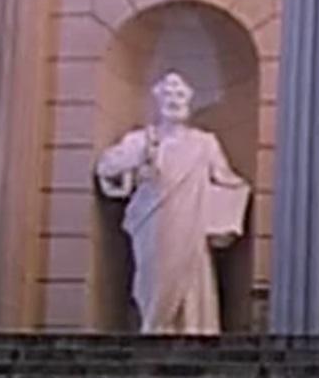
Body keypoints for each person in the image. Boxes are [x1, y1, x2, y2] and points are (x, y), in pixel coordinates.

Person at [94, 71, 250, 334]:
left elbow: (227, 180)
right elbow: (106, 167)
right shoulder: (141, 140)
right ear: (158, 100)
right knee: (153, 277)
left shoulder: (204, 143)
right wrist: (135, 162)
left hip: (191, 225)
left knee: (191, 281)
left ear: (188, 100)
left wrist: (230, 207)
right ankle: (154, 327)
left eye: (179, 94)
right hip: (152, 223)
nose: (174, 99)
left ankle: (190, 329)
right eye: (167, 94)